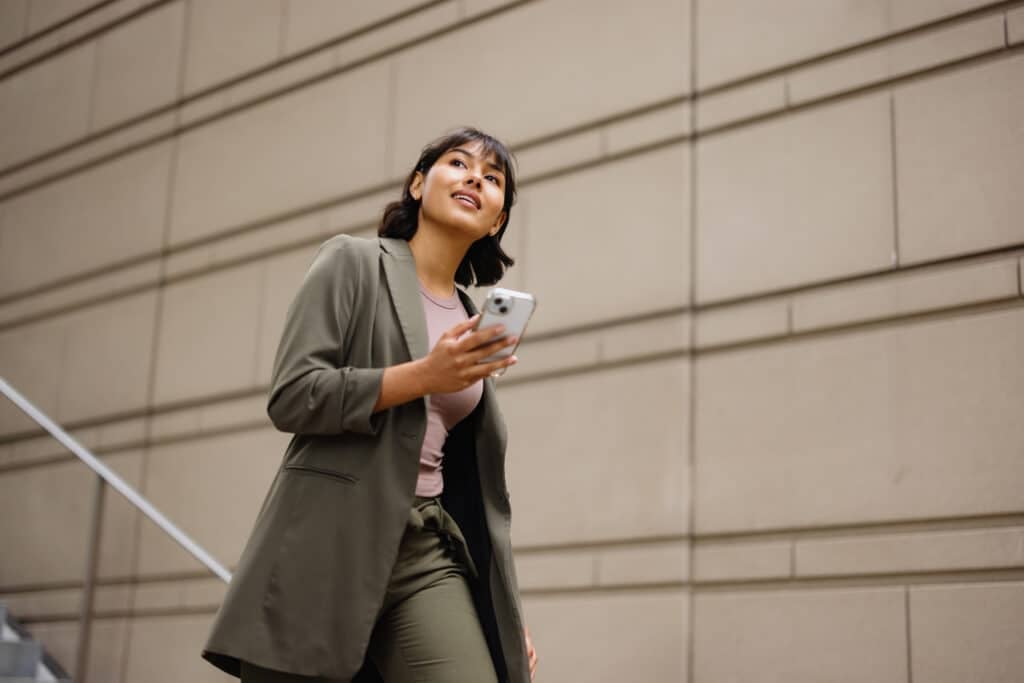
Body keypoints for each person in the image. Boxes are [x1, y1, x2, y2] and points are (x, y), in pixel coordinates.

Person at [201, 127, 538, 683]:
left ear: (497, 219)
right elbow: (293, 395)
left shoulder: (471, 317)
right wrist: (424, 375)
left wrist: (501, 610)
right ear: (416, 184)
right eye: (458, 163)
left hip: (425, 549)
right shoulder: (352, 263)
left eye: (493, 178)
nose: (475, 177)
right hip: (328, 543)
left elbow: (469, 481)